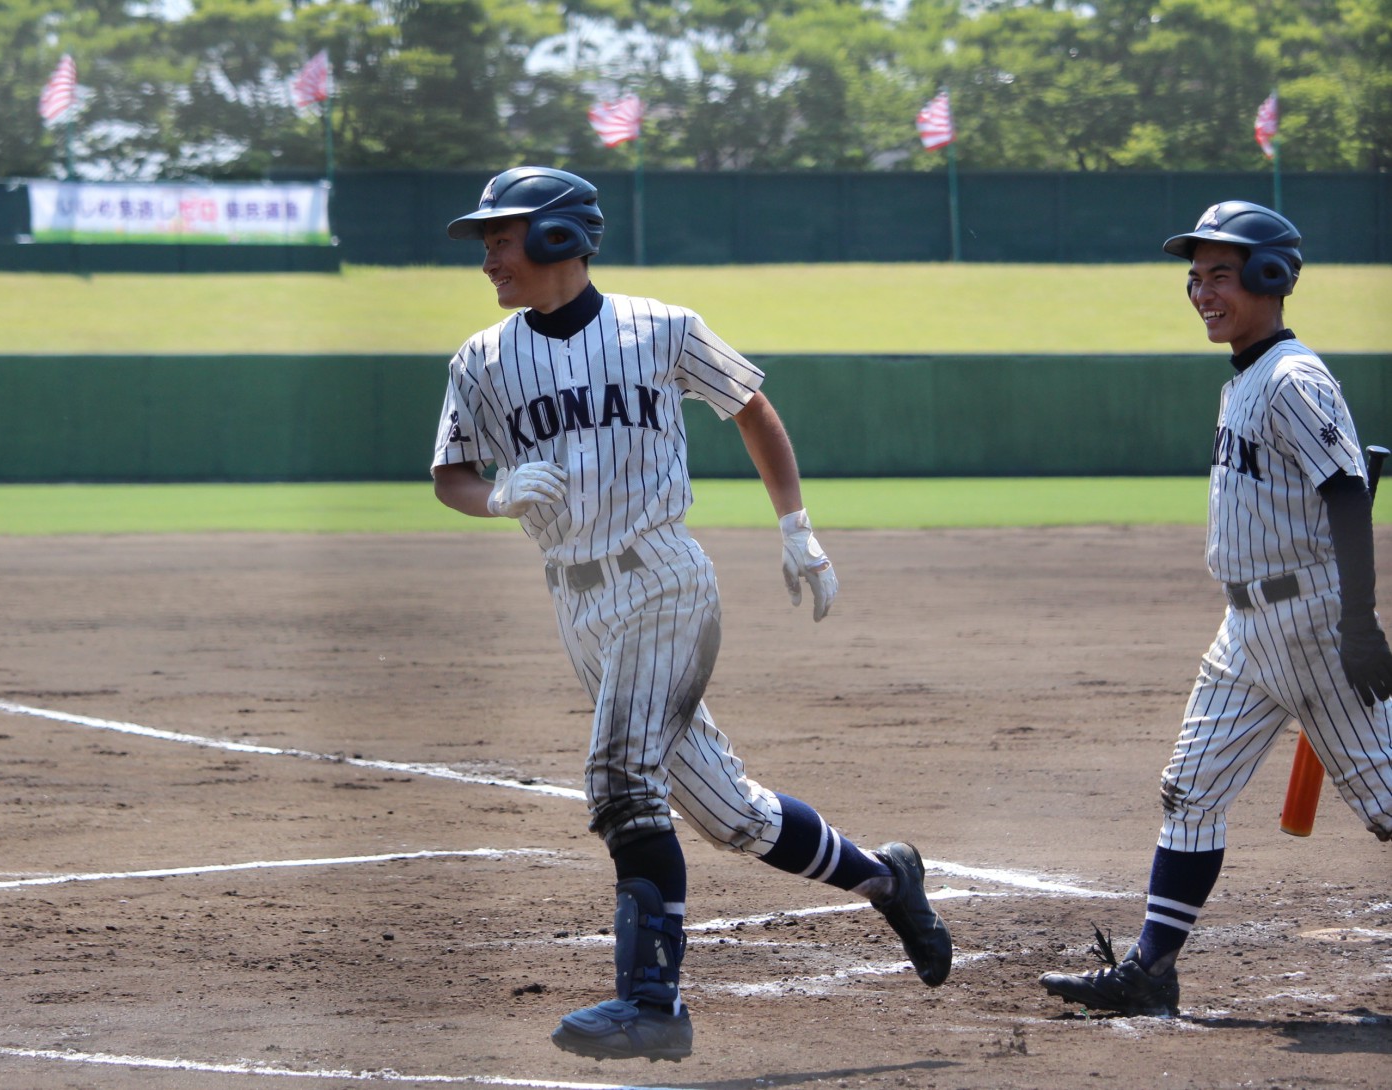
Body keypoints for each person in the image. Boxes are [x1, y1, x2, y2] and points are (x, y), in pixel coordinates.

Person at [430, 166, 953, 1062]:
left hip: (666, 583)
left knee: (621, 778)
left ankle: (653, 1004)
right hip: (579, 607)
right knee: (730, 815)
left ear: (559, 236)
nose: (488, 256)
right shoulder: (482, 359)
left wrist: (799, 531)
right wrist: (499, 493)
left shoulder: (661, 327)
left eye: (502, 236)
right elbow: (451, 476)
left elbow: (750, 408)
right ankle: (886, 882)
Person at [1038, 201, 1392, 1018]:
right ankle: (1150, 971)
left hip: (1308, 621)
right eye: (1194, 278)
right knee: (1190, 791)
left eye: (1221, 275)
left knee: (1384, 803)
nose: (1202, 291)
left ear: (1272, 278)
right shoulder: (1248, 376)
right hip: (1246, 630)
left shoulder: (1293, 378)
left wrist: (1360, 622)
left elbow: (1345, 495)